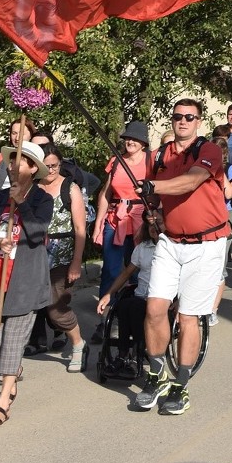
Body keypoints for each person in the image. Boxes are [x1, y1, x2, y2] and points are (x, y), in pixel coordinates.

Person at [135, 99, 230, 415]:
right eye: (177, 117)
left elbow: (190, 181)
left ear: (198, 121)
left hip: (206, 245)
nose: (183, 121)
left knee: (189, 316)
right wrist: (151, 205)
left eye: (189, 117)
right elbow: (154, 196)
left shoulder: (209, 151)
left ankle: (181, 386)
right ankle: (156, 374)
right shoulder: (159, 155)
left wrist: (152, 185)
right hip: (170, 242)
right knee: (154, 308)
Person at [0, 140, 53, 427]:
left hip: (25, 284)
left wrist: (22, 203)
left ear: (33, 169)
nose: (11, 166)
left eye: (18, 161)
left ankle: (2, 402)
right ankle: (12, 369)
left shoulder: (42, 199)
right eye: (10, 161)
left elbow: (37, 234)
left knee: (11, 344)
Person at [90, 121, 151, 343]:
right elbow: (105, 193)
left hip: (141, 219)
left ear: (143, 143)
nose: (129, 142)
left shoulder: (151, 161)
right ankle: (105, 319)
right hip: (115, 218)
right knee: (111, 269)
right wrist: (98, 224)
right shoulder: (116, 161)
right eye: (127, 138)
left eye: (134, 138)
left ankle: (135, 316)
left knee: (138, 269)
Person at [38, 144, 88, 372]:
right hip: (35, 255)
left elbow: (80, 228)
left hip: (63, 255)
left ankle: (78, 343)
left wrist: (76, 262)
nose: (50, 170)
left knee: (56, 308)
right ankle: (11, 360)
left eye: (54, 165)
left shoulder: (71, 188)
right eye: (46, 166)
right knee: (27, 306)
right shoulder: (33, 188)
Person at [96, 207, 162, 378]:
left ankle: (132, 355)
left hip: (161, 298)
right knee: (125, 304)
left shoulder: (172, 247)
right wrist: (108, 294)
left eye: (158, 223)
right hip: (141, 296)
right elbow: (126, 273)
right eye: (150, 224)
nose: (154, 227)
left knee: (136, 307)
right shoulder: (143, 247)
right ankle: (122, 354)